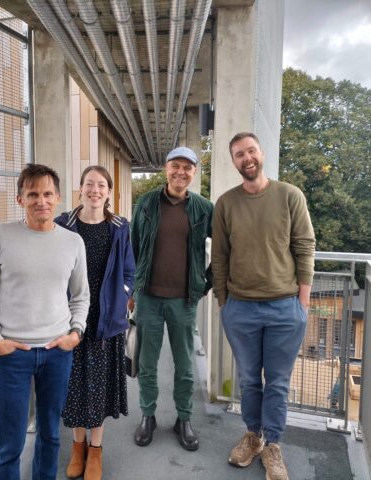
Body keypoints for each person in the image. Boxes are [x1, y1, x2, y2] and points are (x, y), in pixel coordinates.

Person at [0, 164, 89, 480]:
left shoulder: (72, 242)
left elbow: (81, 296)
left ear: (58, 197)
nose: (42, 201)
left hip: (57, 352)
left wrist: (75, 333)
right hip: (12, 355)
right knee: (10, 444)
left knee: (51, 436)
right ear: (20, 199)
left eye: (48, 193)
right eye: (33, 194)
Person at [211, 132, 315, 480]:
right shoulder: (226, 203)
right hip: (240, 308)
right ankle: (253, 436)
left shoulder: (289, 196)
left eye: (251, 151)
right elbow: (220, 256)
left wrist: (302, 300)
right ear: (234, 161)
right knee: (249, 380)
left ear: (262, 153)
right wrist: (224, 302)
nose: (247, 158)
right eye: (239, 154)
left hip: (285, 307)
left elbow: (304, 246)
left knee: (278, 382)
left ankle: (273, 445)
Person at [130, 146, 213, 451]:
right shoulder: (147, 203)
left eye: (187, 168)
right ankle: (148, 416)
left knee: (185, 366)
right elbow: (134, 246)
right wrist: (135, 288)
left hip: (184, 301)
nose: (181, 172)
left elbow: (224, 249)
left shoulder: (204, 207)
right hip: (149, 297)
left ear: (194, 172)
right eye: (175, 166)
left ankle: (184, 419)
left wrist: (205, 283)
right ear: (166, 168)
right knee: (147, 362)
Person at [55, 165, 135, 480]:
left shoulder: (119, 226)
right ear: (80, 188)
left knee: (99, 389)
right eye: (89, 184)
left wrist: (124, 297)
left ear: (108, 191)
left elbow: (129, 270)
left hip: (104, 320)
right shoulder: (64, 224)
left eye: (101, 185)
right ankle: (78, 447)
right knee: (74, 386)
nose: (95, 190)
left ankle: (96, 451)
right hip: (70, 317)